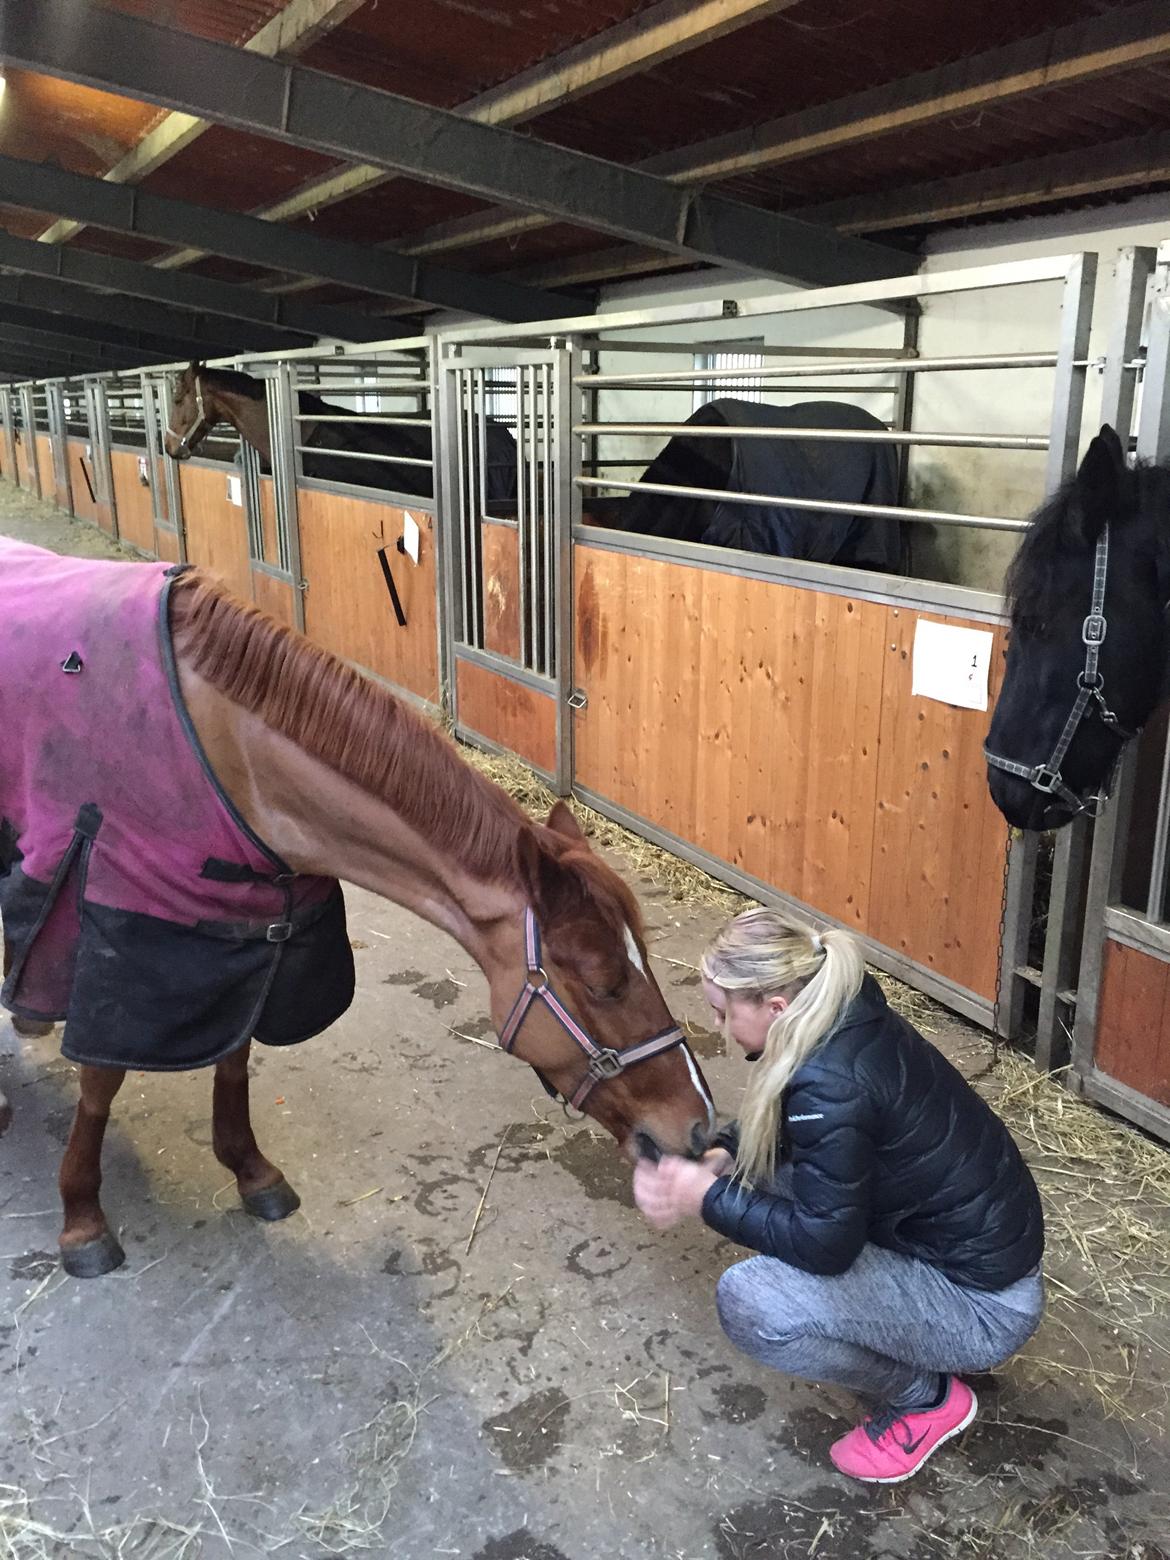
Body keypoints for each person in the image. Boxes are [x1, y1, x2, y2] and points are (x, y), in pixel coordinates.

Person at [632, 907, 1044, 1484]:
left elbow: (825, 1246)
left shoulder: (831, 1083)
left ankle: (926, 1400)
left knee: (751, 1302)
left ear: (775, 1008)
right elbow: (793, 1131)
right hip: (963, 1254)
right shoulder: (840, 1017)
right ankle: (914, 1351)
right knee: (749, 1176)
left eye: (723, 1013)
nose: (719, 1029)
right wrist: (723, 1153)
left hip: (985, 1308)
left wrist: (706, 1197)